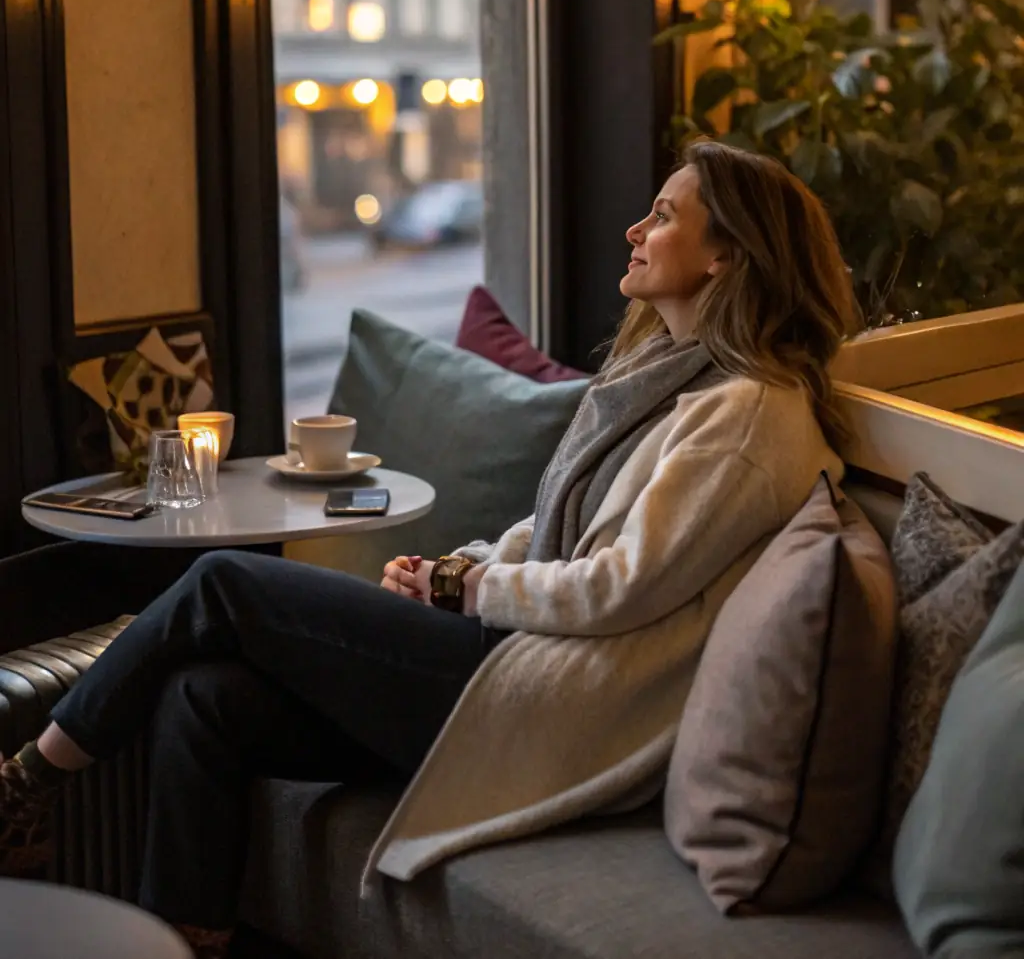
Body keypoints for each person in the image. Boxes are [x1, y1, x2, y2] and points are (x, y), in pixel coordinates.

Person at [0, 141, 856, 959]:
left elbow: (619, 587)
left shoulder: (747, 411)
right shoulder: (671, 379)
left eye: (663, 215)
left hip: (547, 700)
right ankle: (186, 942)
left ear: (726, 259)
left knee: (222, 581)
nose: (634, 230)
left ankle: (27, 784)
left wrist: (472, 588)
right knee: (202, 695)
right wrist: (451, 571)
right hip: (512, 656)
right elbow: (557, 523)